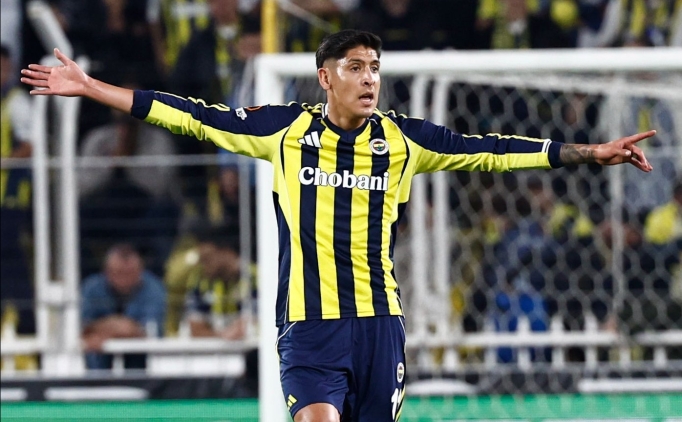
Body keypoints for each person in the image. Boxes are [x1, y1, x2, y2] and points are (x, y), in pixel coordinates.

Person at [21, 29, 655, 422]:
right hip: (310, 326)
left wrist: (587, 152)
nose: (369, 77)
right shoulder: (284, 130)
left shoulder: (404, 140)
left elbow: (490, 150)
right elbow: (189, 115)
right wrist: (92, 87)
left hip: (380, 324)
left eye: (374, 67)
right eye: (355, 66)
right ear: (327, 78)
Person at [80, 243, 166, 370]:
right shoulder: (91, 288)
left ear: (140, 271)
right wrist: (122, 328)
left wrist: (104, 329)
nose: (124, 279)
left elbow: (149, 331)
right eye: (118, 273)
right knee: (93, 348)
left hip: (141, 358)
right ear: (106, 272)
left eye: (130, 273)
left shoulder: (154, 289)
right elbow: (83, 327)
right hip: (99, 354)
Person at [1, 44, 35, 341]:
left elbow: (29, 146)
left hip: (9, 197)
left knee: (11, 260)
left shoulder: (16, 102)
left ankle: (26, 321)